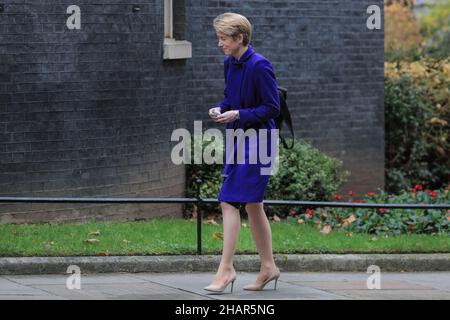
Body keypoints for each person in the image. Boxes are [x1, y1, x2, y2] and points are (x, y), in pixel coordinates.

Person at [204, 12, 281, 293]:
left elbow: (272, 108)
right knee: (252, 204)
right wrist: (222, 108)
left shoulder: (260, 66)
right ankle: (269, 267)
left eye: (223, 39)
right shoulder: (230, 63)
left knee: (228, 200)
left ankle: (225, 270)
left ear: (239, 38)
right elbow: (230, 97)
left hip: (260, 141)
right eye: (219, 38)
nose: (219, 44)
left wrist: (239, 114)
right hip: (239, 138)